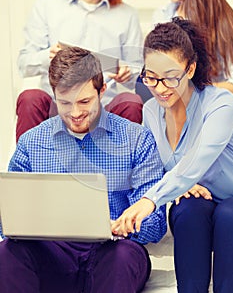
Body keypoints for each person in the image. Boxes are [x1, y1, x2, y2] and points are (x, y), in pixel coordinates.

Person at [0, 46, 167, 293]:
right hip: (53, 253)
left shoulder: (136, 139)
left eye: (84, 101)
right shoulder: (32, 142)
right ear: (54, 95)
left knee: (122, 257)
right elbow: (7, 221)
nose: (75, 113)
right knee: (7, 254)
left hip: (111, 250)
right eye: (65, 103)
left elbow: (156, 222)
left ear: (102, 91)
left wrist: (126, 224)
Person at [113, 18, 233, 293]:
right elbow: (157, 166)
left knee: (230, 213)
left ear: (190, 69)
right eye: (151, 77)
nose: (160, 87)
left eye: (170, 77)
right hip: (201, 202)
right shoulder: (151, 112)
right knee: (187, 210)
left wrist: (151, 199)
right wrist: (180, 184)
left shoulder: (220, 104)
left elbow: (199, 158)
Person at [16, 0, 144, 142]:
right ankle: (27, 168)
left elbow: (140, 76)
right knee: (30, 97)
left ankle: (123, 170)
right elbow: (25, 64)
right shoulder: (47, 5)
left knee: (131, 101)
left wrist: (128, 74)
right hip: (57, 106)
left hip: (102, 110)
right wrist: (47, 56)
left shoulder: (127, 16)